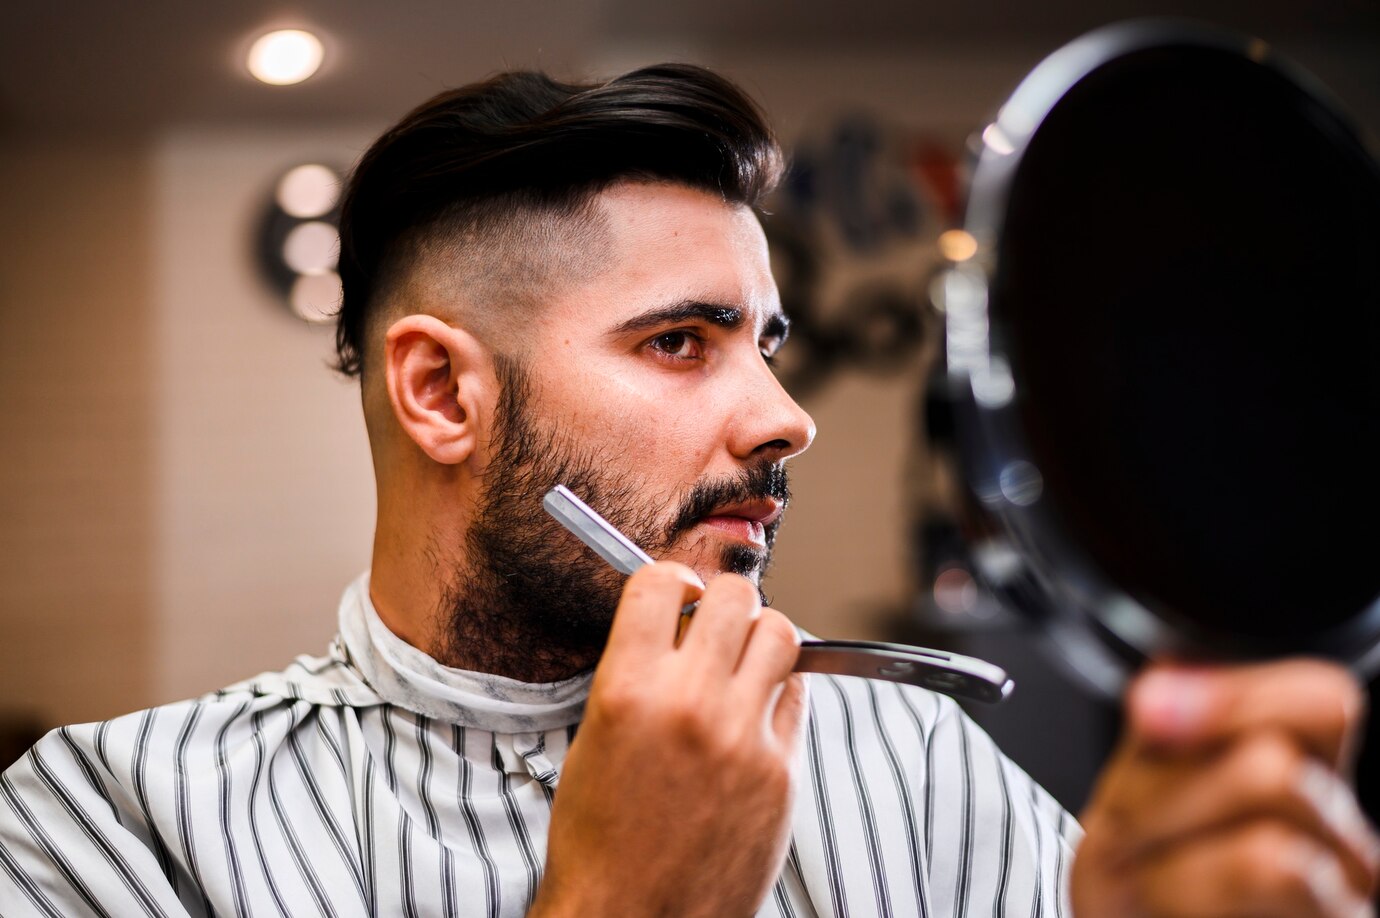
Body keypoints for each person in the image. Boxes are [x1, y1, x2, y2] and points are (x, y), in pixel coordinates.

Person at [1, 64, 1375, 918]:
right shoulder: (113, 827)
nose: (786, 418)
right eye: (679, 339)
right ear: (441, 393)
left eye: (767, 344)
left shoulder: (919, 764)